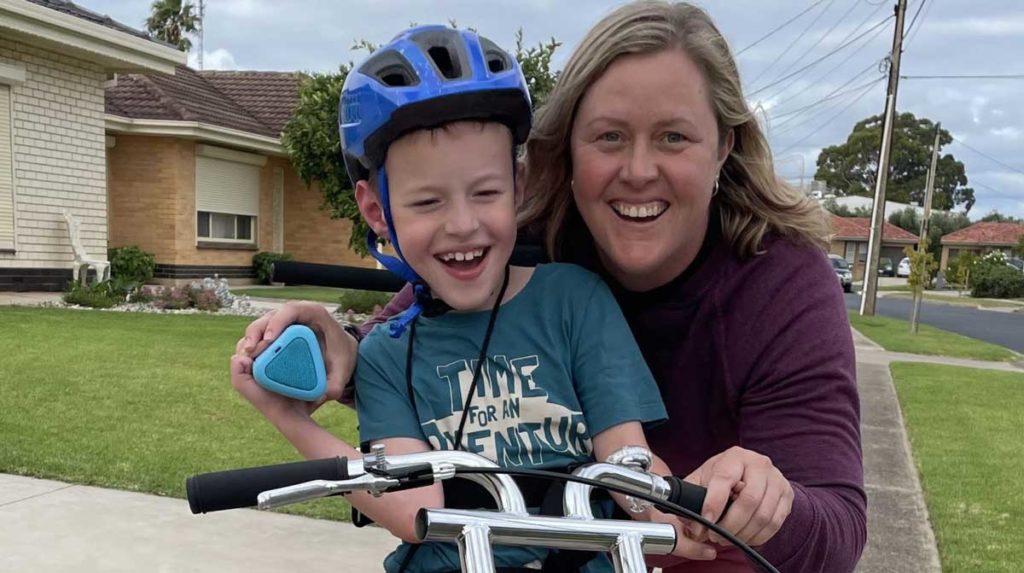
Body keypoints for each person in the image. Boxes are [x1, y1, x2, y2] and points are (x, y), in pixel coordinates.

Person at [241, 2, 866, 571]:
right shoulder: (515, 244)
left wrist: (734, 507)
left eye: (674, 136)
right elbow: (420, 333)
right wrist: (337, 356)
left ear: (724, 145)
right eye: (609, 136)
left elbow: (638, 465)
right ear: (566, 149)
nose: (639, 170)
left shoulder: (760, 281)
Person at [231, 25, 676, 573]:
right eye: (427, 201)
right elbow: (415, 506)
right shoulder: (387, 354)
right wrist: (291, 419)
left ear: (518, 185)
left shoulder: (574, 302)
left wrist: (670, 511)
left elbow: (626, 459)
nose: (462, 225)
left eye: (486, 192)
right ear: (377, 213)